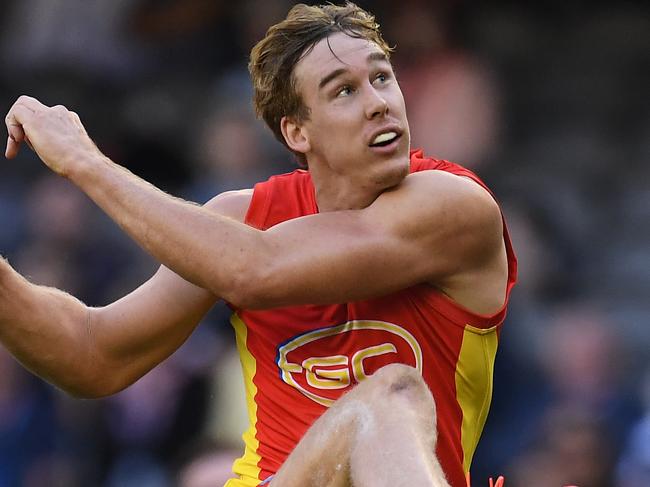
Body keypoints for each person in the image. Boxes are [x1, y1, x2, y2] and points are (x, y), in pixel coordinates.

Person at [1, 3, 516, 487]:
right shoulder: (241, 221)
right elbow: (92, 355)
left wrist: (86, 164)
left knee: (390, 395)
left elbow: (254, 270)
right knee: (388, 394)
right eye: (344, 91)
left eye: (382, 78)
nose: (379, 103)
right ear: (296, 133)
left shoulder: (456, 206)